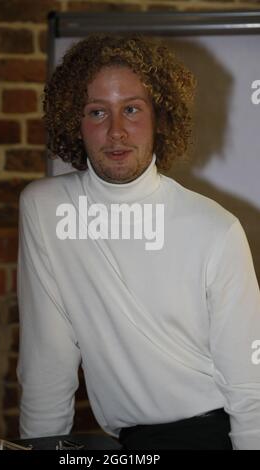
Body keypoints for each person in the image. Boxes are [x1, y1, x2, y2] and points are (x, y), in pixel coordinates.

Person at [17, 34, 260, 450]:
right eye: (97, 112)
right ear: (73, 122)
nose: (116, 132)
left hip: (211, 435)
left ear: (160, 117)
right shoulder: (46, 209)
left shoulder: (215, 228)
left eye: (131, 109)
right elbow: (47, 358)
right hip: (128, 445)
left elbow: (251, 386)